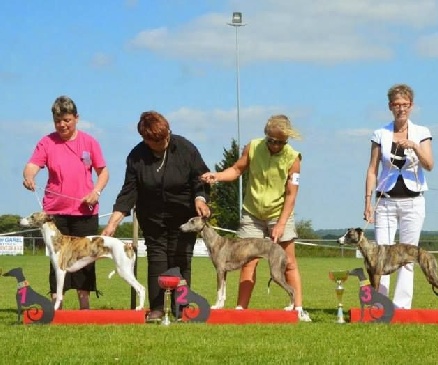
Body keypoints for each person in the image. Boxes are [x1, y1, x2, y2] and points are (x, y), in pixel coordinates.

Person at [101, 111, 210, 322]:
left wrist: (200, 199)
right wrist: (113, 223)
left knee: (181, 259)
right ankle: (158, 308)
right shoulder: (136, 156)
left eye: (165, 137)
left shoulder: (186, 148)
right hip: (152, 217)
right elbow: (129, 191)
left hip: (184, 216)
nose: (163, 143)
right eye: (156, 141)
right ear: (145, 139)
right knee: (157, 259)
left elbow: (201, 178)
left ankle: (181, 309)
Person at [200, 114, 311, 322]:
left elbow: (291, 194)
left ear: (286, 140)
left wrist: (281, 223)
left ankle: (298, 309)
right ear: (265, 135)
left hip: (280, 213)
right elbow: (236, 170)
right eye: (271, 140)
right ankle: (241, 310)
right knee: (248, 262)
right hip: (252, 212)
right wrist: (218, 176)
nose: (274, 145)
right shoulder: (252, 147)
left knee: (289, 263)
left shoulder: (294, 158)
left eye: (280, 142)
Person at [22, 95, 109, 309]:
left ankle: (84, 304)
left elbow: (103, 172)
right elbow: (32, 165)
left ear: (76, 118)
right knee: (56, 260)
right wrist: (29, 176)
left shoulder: (89, 142)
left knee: (86, 259)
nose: (62, 125)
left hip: (84, 212)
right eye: (58, 121)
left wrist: (96, 192)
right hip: (55, 213)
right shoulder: (47, 142)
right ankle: (56, 304)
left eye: (67, 120)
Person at [363, 83, 434, 309]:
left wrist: (413, 146)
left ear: (411, 106)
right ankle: (380, 302)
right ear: (390, 107)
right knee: (380, 254)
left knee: (407, 255)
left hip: (413, 201)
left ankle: (402, 305)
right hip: (385, 201)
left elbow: (430, 165)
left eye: (405, 104)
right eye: (396, 104)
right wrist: (368, 202)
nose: (401, 108)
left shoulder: (422, 132)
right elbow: (372, 169)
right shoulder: (380, 134)